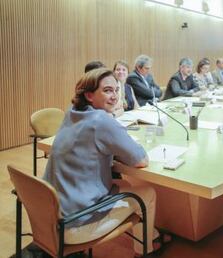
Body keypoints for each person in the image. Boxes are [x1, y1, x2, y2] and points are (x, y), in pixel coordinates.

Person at [43, 68, 164, 256]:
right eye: (108, 90)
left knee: (123, 184)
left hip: (51, 217)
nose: (115, 96)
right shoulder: (101, 121)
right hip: (75, 225)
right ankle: (145, 251)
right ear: (90, 95)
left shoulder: (72, 112)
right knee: (147, 194)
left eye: (116, 90)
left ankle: (153, 234)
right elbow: (141, 160)